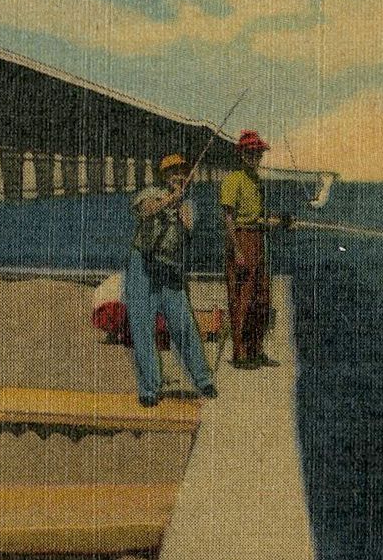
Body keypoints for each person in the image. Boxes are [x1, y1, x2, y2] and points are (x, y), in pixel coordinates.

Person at [125, 153, 216, 407]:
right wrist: (169, 200)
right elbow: (146, 210)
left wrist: (180, 207)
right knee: (142, 328)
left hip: (170, 271)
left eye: (182, 172)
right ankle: (149, 389)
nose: (177, 176)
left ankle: (203, 379)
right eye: (172, 172)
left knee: (184, 325)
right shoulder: (150, 193)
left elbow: (188, 228)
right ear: (163, 175)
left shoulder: (190, 205)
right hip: (142, 267)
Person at [220, 130, 291, 368]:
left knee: (261, 298)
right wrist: (237, 251)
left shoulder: (256, 180)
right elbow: (228, 218)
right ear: (241, 155)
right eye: (250, 153)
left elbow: (258, 217)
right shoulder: (233, 179)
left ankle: (256, 350)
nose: (254, 157)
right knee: (242, 299)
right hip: (241, 240)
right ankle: (240, 355)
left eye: (257, 153)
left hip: (258, 240)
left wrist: (280, 221)